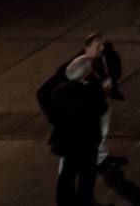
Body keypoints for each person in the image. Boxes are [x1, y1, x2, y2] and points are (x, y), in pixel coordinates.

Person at [40, 52, 107, 206]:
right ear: (85, 74)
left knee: (67, 174)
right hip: (86, 142)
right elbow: (101, 109)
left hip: (67, 141)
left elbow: (54, 114)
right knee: (87, 175)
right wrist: (102, 91)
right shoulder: (89, 92)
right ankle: (86, 201)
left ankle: (64, 201)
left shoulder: (59, 90)